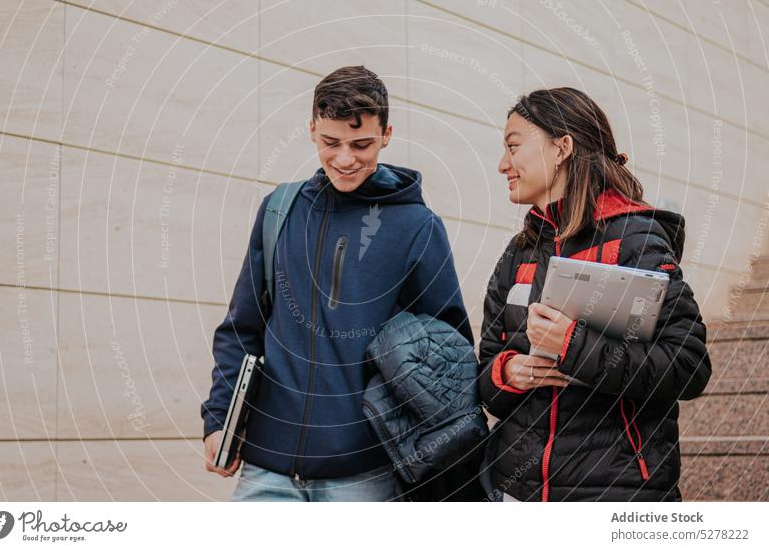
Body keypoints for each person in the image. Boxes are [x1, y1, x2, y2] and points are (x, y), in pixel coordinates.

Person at [201, 65, 473, 502]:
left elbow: (448, 352)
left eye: (361, 144)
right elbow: (242, 327)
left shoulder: (418, 227)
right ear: (311, 130)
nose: (345, 159)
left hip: (364, 473)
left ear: (386, 133)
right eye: (331, 143)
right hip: (266, 466)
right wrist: (219, 417)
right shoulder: (280, 211)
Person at [478, 87, 712, 502]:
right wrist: (510, 373)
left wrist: (573, 345)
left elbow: (689, 366)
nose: (502, 165)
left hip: (617, 494)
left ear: (562, 148)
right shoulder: (517, 254)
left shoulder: (634, 241)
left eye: (513, 147)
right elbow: (486, 377)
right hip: (517, 491)